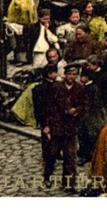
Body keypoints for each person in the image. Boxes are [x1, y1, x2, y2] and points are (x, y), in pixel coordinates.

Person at [41, 62, 88, 191]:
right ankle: (47, 176)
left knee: (70, 158)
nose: (71, 76)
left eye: (74, 74)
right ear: (65, 74)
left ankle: (68, 184)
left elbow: (85, 106)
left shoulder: (80, 89)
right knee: (52, 155)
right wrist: (47, 125)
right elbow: (48, 107)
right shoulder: (56, 87)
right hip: (57, 127)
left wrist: (76, 110)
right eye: (69, 74)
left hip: (71, 128)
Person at [7, 0, 39, 65]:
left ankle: (23, 60)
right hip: (15, 23)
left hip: (26, 23)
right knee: (16, 41)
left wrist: (18, 4)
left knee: (23, 42)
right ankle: (17, 58)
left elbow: (28, 9)